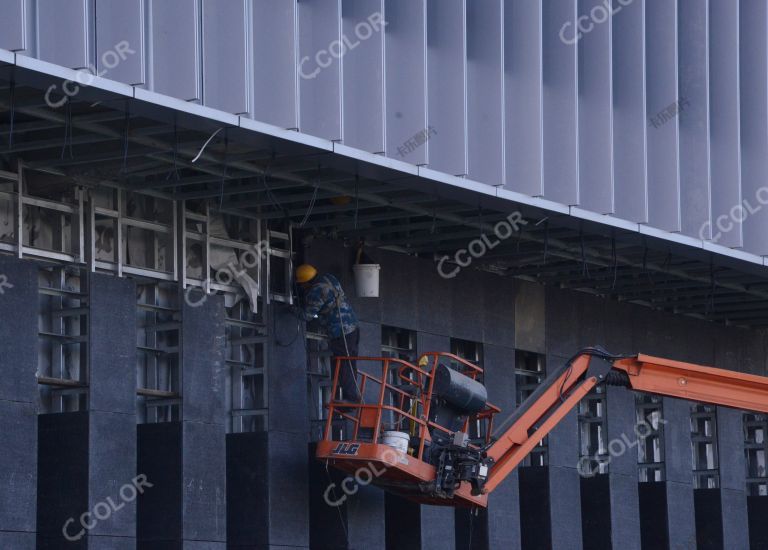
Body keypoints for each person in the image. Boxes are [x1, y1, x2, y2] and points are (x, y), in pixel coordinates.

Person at [295, 264, 361, 403]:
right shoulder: (329, 278)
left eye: (302, 285)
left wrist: (291, 309)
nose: (302, 287)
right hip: (353, 327)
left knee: (342, 364)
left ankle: (351, 399)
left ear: (306, 282)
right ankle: (352, 396)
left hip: (340, 332)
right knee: (349, 363)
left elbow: (306, 315)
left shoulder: (316, 291)